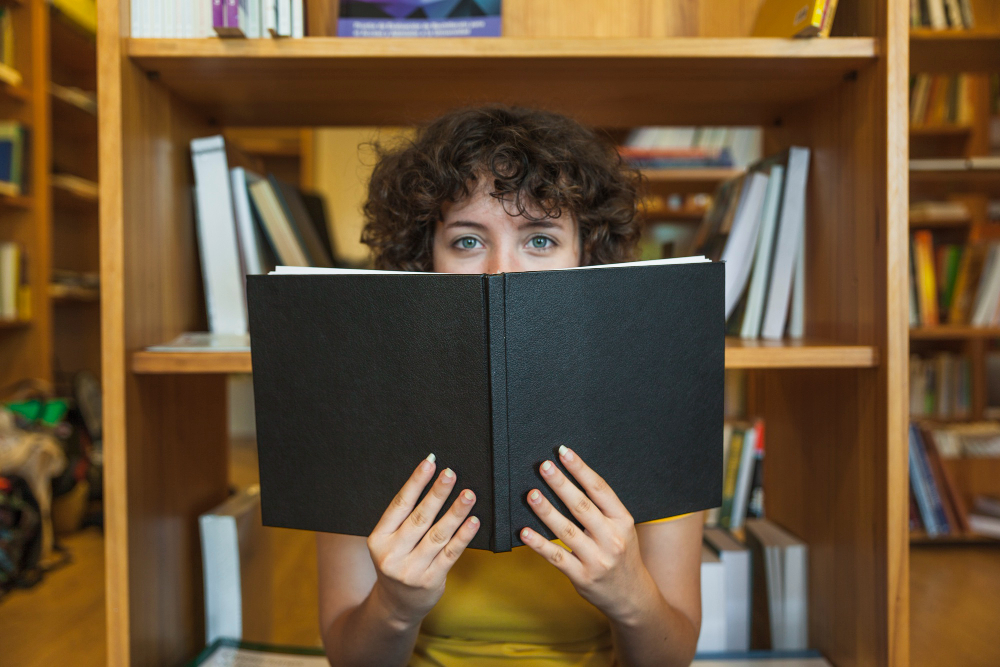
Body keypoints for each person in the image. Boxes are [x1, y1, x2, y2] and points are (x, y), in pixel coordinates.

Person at [317, 106, 703, 667]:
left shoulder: (657, 399)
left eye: (540, 240)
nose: (503, 271)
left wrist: (630, 595)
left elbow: (673, 656)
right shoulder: (360, 401)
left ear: (585, 255)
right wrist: (395, 607)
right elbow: (348, 659)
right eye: (467, 242)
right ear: (425, 258)